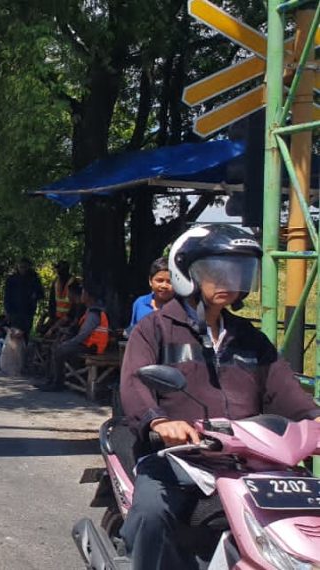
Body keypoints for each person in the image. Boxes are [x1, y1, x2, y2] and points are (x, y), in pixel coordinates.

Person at [119, 224, 320, 570]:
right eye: (218, 270)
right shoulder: (154, 328)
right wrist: (160, 421)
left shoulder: (249, 338)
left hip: (250, 459)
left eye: (239, 271)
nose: (230, 279)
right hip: (178, 458)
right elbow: (134, 382)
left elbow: (286, 391)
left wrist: (314, 419)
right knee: (152, 513)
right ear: (187, 273)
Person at [39, 282, 109, 392]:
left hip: (92, 347)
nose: (82, 295)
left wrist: (68, 343)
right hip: (87, 344)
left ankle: (58, 383)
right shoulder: (89, 310)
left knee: (60, 350)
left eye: (83, 293)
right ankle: (52, 379)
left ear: (89, 296)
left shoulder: (94, 313)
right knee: (57, 347)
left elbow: (83, 335)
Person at [126, 257, 173, 334]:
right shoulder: (140, 303)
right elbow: (134, 331)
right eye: (160, 280)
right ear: (150, 281)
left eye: (169, 282)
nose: (164, 285)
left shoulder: (180, 307)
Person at [3, 258, 44, 340]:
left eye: (25, 267)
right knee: (14, 334)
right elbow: (7, 296)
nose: (23, 269)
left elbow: (41, 294)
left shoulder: (34, 279)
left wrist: (35, 295)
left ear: (29, 267)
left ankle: (24, 346)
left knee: (25, 333)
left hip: (28, 312)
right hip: (14, 311)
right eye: (21, 267)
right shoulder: (12, 279)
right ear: (17, 267)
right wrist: (7, 311)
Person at [38, 261, 74, 334]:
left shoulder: (73, 282)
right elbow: (52, 301)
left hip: (69, 318)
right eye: (58, 269)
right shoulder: (56, 282)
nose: (58, 271)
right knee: (42, 330)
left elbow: (76, 302)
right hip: (56, 317)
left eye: (60, 269)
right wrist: (51, 315)